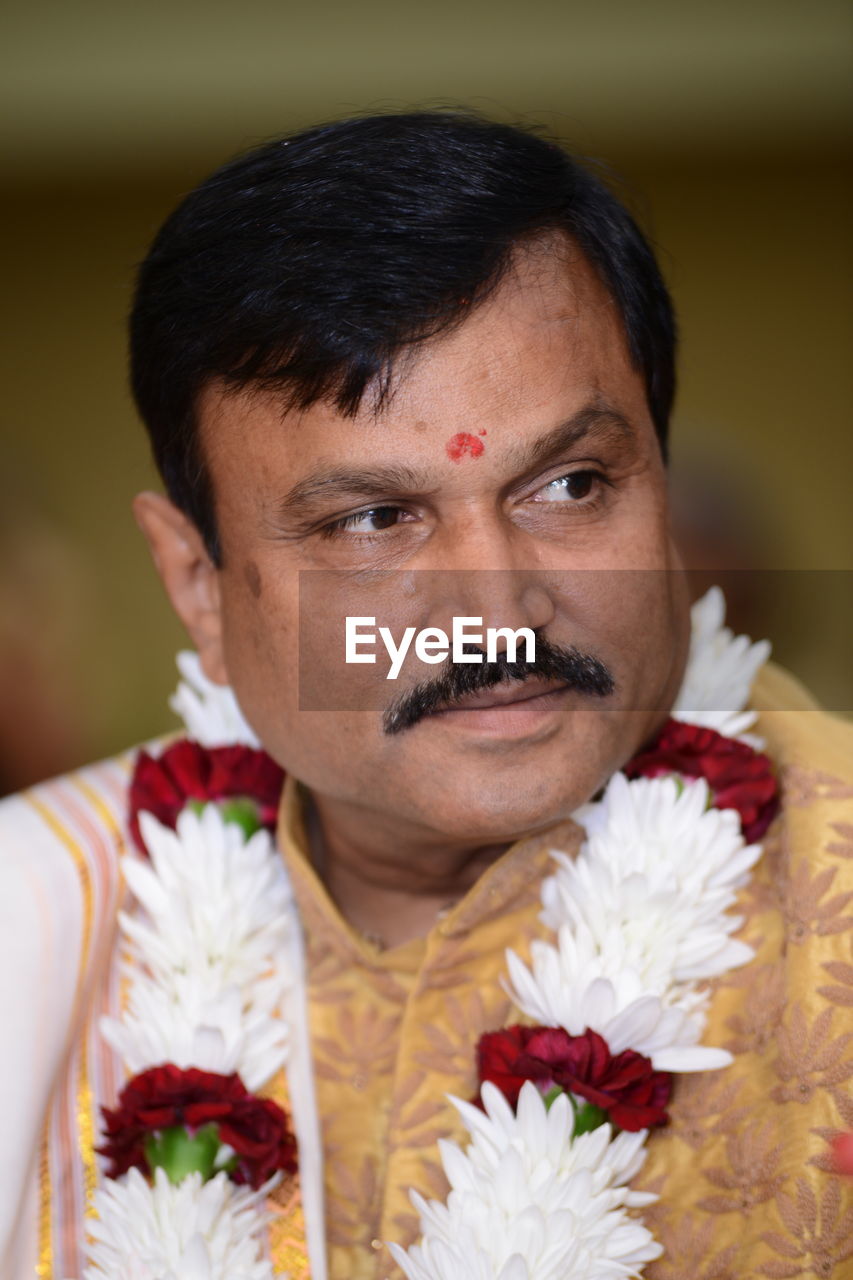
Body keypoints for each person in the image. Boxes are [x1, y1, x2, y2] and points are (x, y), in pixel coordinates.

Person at [1, 110, 851, 1280]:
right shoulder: (34, 917)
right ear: (197, 581)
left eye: (569, 483)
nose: (499, 614)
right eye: (370, 521)